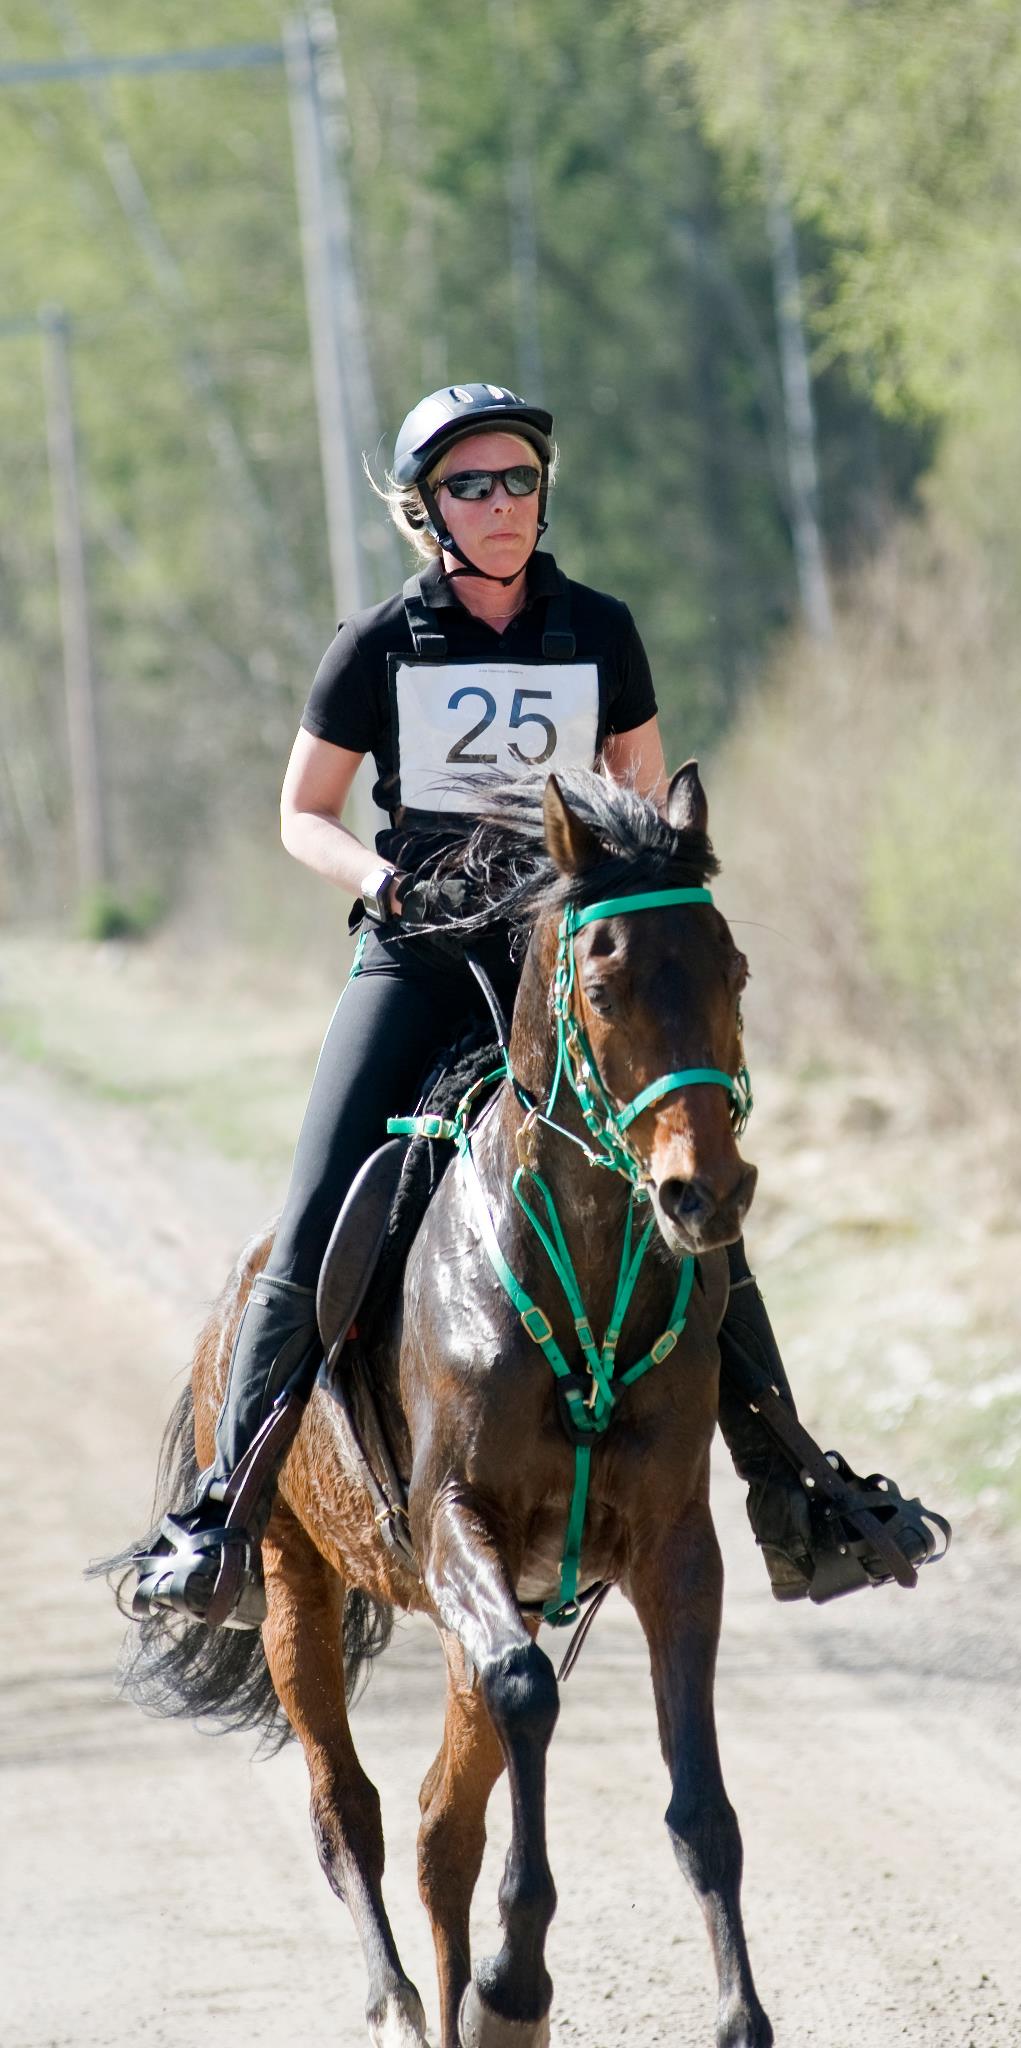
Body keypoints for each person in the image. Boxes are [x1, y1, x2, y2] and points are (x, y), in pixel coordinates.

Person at [128, 381, 938, 1629]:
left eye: (518, 481)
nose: (502, 504)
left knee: (700, 1200)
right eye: (472, 486)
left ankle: (799, 1493)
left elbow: (643, 789)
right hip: (419, 956)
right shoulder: (378, 644)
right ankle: (225, 1512)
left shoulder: (600, 629)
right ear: (427, 510)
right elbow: (301, 811)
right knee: (309, 1222)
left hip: (570, 965)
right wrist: (379, 878)